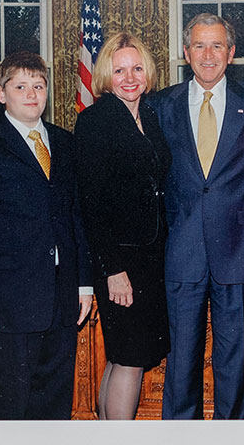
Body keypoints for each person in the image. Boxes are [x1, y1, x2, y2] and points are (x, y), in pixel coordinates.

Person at [149, 13, 244, 419]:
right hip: (181, 248)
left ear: (232, 53)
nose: (209, 55)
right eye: (200, 46)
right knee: (181, 360)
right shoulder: (159, 105)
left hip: (237, 248)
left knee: (233, 359)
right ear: (186, 53)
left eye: (217, 46)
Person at [0, 51, 93, 420]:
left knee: (55, 402)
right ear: (2, 93)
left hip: (62, 300)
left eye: (38, 86)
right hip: (8, 304)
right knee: (11, 406)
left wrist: (83, 285)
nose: (31, 94)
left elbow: (76, 217)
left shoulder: (65, 143)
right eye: (20, 86)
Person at [74, 32, 171, 420]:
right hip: (120, 263)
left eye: (136, 69)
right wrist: (112, 270)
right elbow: (91, 203)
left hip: (151, 259)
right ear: (105, 76)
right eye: (119, 71)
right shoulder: (95, 120)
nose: (129, 78)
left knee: (123, 356)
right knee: (129, 358)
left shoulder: (149, 114)